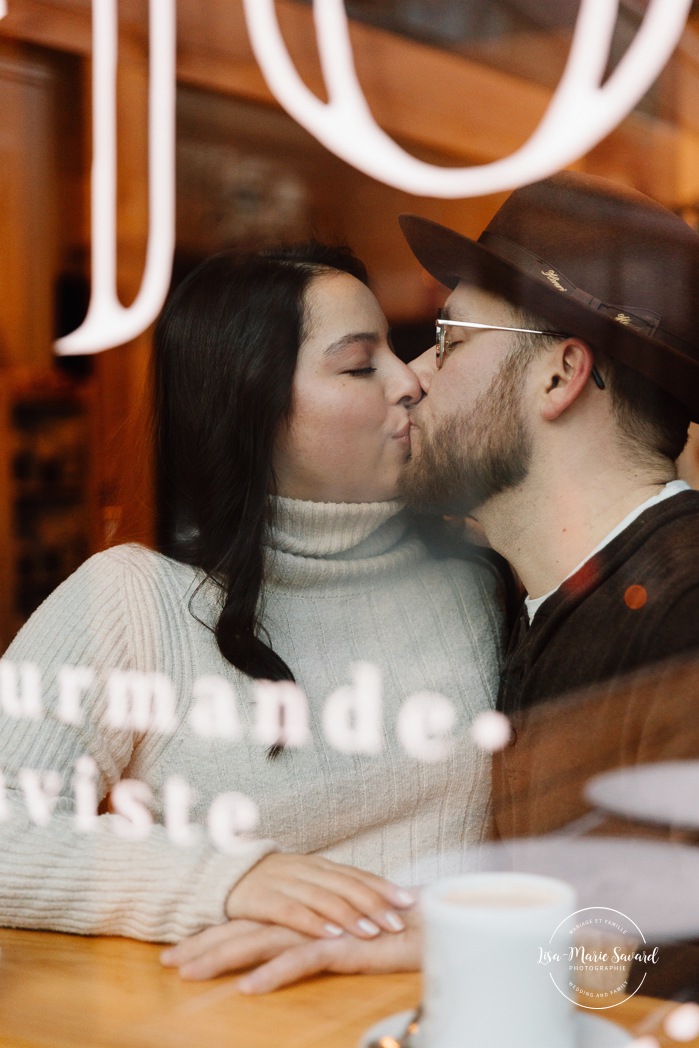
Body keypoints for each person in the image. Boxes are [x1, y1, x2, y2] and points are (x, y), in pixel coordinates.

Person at [189, 171, 699, 992]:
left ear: (558, 374)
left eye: (450, 339)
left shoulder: (683, 614)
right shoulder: (530, 602)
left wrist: (477, 940)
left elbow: (676, 956)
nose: (414, 375)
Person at [0, 242, 505, 948]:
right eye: (360, 365)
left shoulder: (477, 576)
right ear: (250, 405)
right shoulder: (136, 600)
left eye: (395, 350)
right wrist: (225, 879)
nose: (411, 381)